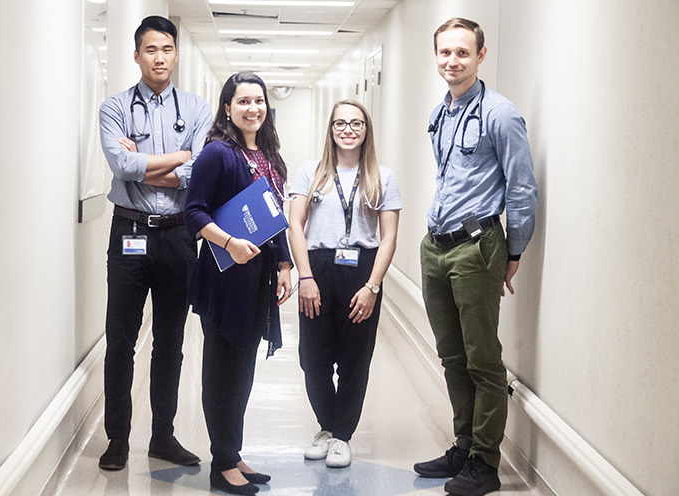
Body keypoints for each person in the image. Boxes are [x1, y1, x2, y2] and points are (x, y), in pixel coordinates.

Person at [413, 17, 538, 496]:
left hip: (477, 247)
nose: (452, 61)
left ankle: (485, 463)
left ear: (481, 56)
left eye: (463, 53)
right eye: (445, 52)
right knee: (451, 356)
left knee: (483, 359)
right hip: (436, 246)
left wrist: (514, 250)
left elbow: (522, 188)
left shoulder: (501, 114)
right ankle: (463, 445)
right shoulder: (439, 113)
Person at [97, 15, 213, 471]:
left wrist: (147, 162)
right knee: (121, 340)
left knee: (170, 342)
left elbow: (199, 169)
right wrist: (179, 157)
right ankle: (118, 440)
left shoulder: (199, 108)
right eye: (150, 49)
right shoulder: (114, 108)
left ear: (176, 53)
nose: (159, 57)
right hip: (129, 231)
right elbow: (120, 166)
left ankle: (162, 436)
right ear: (136, 55)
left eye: (166, 49)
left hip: (180, 235)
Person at [184, 71, 292, 495]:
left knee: (243, 370)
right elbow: (194, 212)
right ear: (227, 108)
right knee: (222, 371)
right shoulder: (217, 153)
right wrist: (229, 241)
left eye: (259, 101)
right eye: (243, 101)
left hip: (257, 278)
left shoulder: (266, 155)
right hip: (225, 276)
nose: (253, 109)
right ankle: (221, 462)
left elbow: (274, 215)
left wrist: (284, 264)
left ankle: (234, 453)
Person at [288, 100, 402, 468]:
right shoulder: (311, 172)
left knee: (355, 359)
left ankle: (341, 436)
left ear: (367, 129)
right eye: (340, 123)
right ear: (331, 129)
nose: (348, 130)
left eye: (356, 123)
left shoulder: (383, 177)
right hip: (317, 268)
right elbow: (295, 226)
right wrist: (304, 276)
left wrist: (372, 287)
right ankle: (326, 426)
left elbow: (388, 238)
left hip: (361, 271)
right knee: (313, 357)